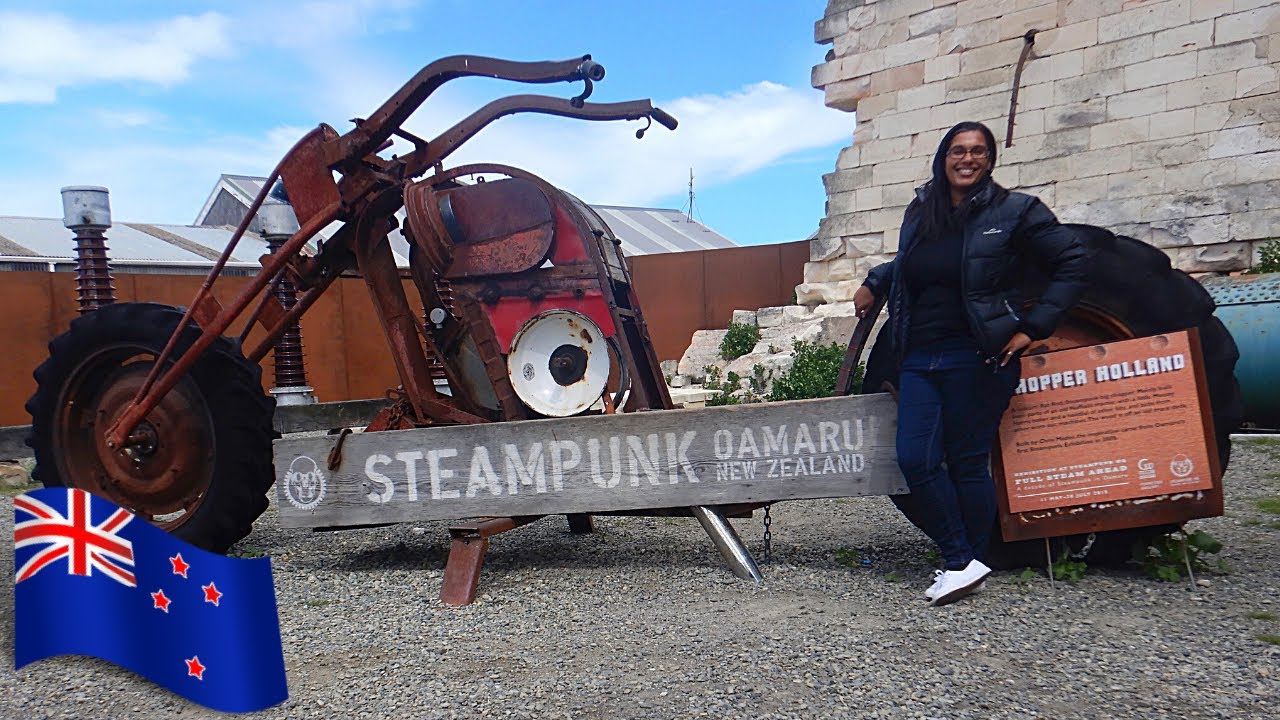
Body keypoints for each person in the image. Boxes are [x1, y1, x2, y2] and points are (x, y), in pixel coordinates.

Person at [852, 121, 1089, 606]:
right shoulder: (924, 211)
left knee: (965, 462)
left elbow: (1073, 261)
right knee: (915, 458)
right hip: (918, 355)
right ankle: (963, 560)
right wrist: (875, 280)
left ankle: (962, 563)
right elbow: (913, 262)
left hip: (977, 355)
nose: (968, 159)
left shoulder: (1015, 211)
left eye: (978, 151)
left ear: (990, 159)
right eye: (958, 150)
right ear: (944, 158)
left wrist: (1035, 325)